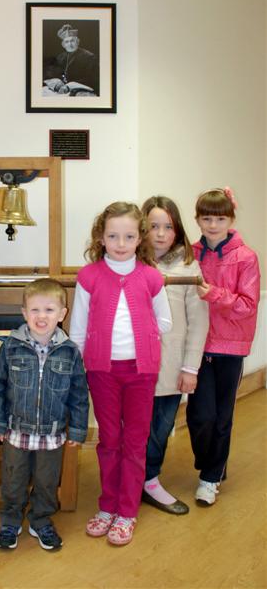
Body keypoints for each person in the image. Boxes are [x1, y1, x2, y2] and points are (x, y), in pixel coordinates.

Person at [70, 202, 172, 546]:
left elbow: (165, 320)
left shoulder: (151, 276)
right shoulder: (89, 276)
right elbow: (78, 328)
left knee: (135, 441)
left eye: (129, 236)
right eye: (113, 236)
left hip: (141, 371)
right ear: (101, 237)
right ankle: (107, 506)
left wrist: (143, 333)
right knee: (110, 439)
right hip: (102, 371)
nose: (121, 243)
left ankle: (127, 511)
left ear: (139, 238)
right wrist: (78, 364)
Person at [0, 278, 89, 551]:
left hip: (52, 435)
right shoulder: (11, 346)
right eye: (35, 310)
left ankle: (41, 520)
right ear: (24, 313)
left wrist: (77, 429)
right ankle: (10, 520)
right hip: (15, 432)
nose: (41, 316)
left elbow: (79, 394)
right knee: (13, 480)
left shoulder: (70, 351)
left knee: (46, 482)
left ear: (62, 314)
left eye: (49, 310)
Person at [187, 187, 260, 506]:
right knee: (200, 415)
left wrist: (214, 294)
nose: (213, 225)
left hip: (231, 347)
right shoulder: (190, 254)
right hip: (197, 345)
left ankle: (210, 476)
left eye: (220, 219)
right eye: (207, 219)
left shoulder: (246, 257)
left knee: (221, 416)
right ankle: (212, 464)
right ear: (198, 220)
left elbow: (248, 305)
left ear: (231, 220)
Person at [140, 196, 209, 515]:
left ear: (177, 229)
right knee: (133, 428)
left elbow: (199, 322)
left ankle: (150, 480)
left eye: (168, 227)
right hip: (133, 367)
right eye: (153, 226)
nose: (160, 233)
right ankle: (129, 480)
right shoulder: (130, 263)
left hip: (170, 367)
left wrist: (190, 368)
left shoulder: (188, 266)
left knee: (160, 428)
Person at [43, 23, 99, 96]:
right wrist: (57, 83)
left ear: (77, 42)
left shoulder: (89, 57)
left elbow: (92, 79)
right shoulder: (60, 57)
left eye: (72, 41)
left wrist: (69, 86)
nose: (70, 44)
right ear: (63, 45)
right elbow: (54, 74)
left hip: (79, 89)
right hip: (62, 90)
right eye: (67, 42)